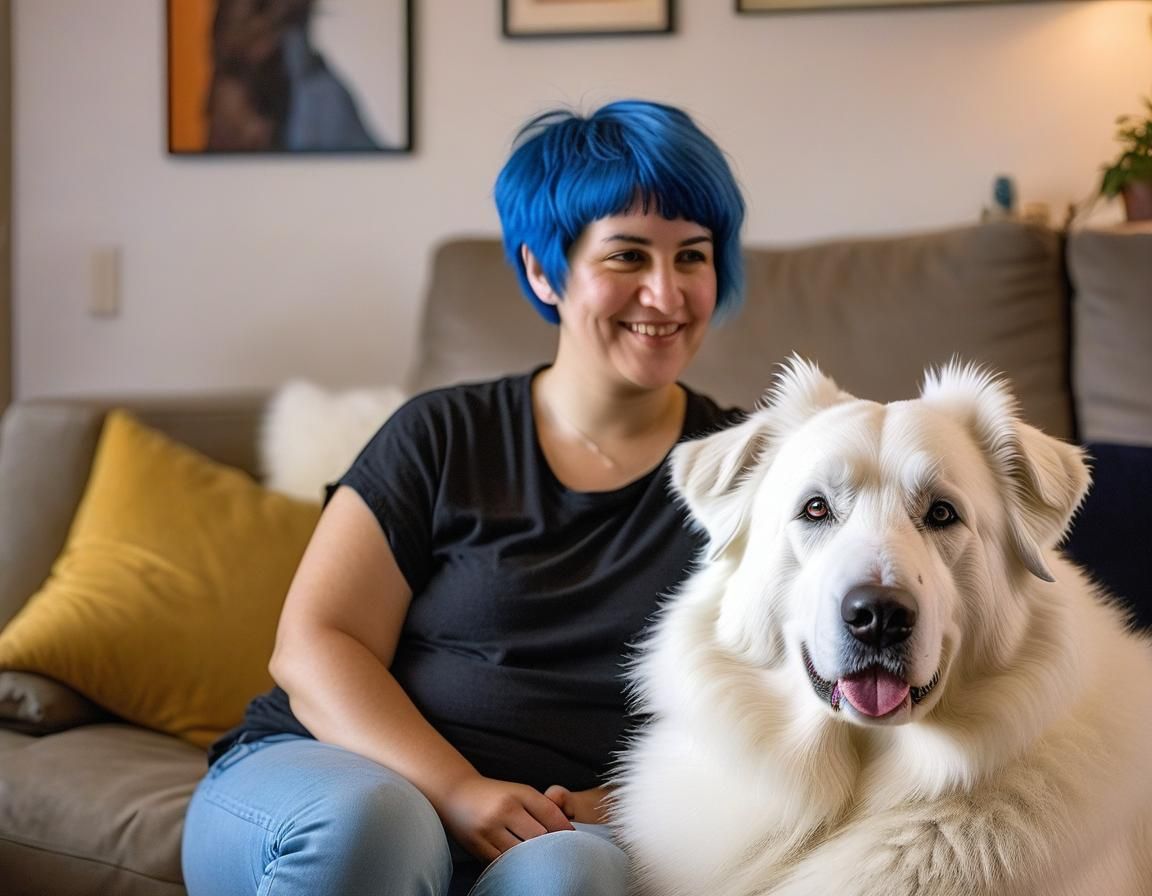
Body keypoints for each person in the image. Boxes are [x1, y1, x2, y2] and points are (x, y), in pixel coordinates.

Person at [181, 98, 746, 895]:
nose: (666, 294)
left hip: (562, 824)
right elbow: (314, 644)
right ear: (543, 269)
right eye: (627, 257)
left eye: (692, 256)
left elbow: (775, 702)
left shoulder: (754, 471)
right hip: (341, 774)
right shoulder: (441, 434)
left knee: (577, 876)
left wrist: (638, 804)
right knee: (377, 825)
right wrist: (456, 791)